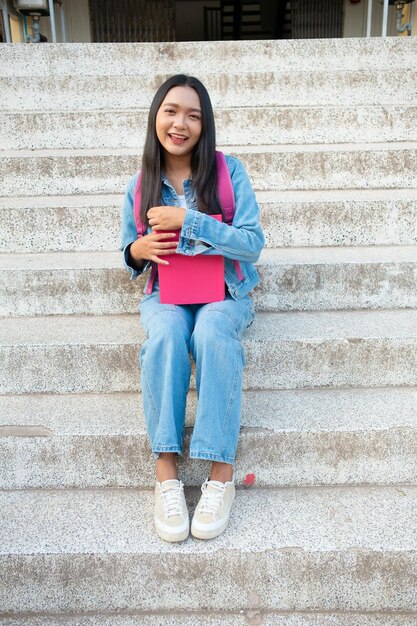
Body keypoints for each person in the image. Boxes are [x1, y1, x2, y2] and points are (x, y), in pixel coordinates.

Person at [120, 74, 264, 542]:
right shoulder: (140, 185)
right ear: (156, 118)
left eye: (193, 115)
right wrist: (139, 247)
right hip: (168, 294)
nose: (180, 123)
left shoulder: (228, 171)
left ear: (205, 125)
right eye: (171, 111)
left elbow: (251, 244)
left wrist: (191, 220)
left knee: (211, 333)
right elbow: (129, 257)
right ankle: (166, 470)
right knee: (165, 334)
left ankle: (220, 475)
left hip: (225, 291)